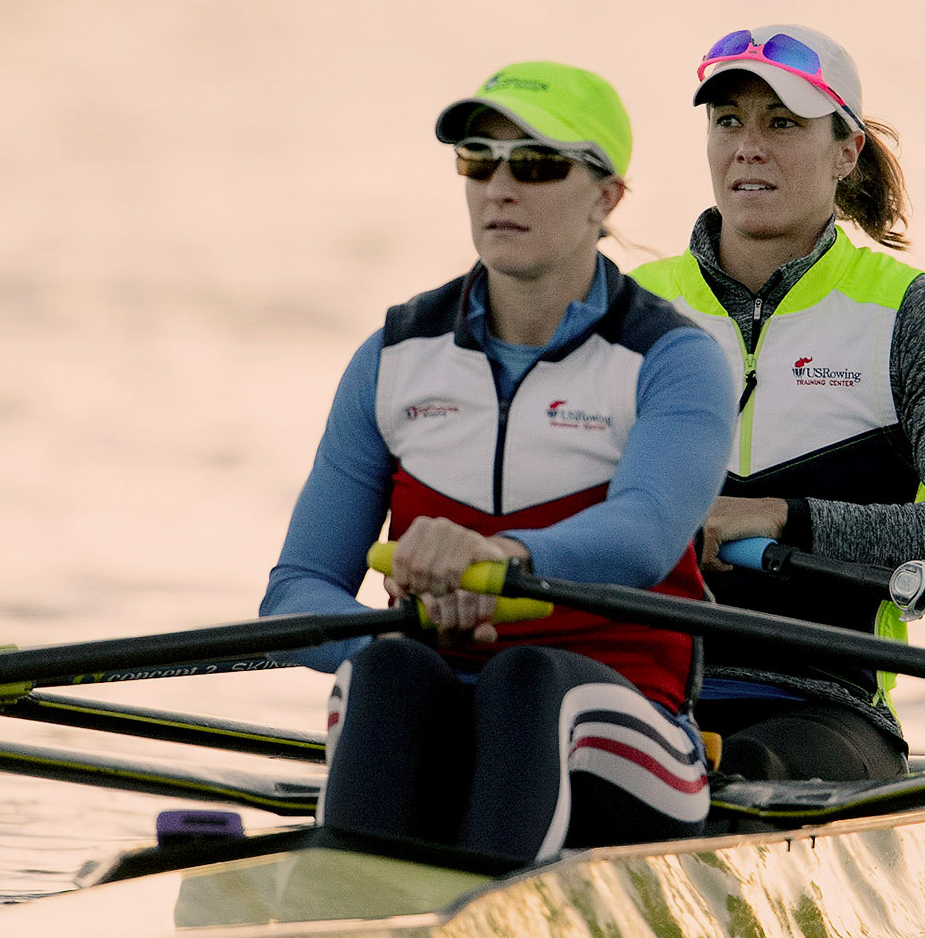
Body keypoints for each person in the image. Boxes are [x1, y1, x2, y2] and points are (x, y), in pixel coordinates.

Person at [259, 62, 735, 862]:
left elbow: (647, 534)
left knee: (526, 683)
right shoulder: (395, 357)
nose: (500, 187)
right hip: (434, 700)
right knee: (391, 676)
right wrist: (389, 634)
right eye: (478, 159)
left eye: (538, 163)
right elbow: (294, 596)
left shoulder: (673, 360)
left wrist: (497, 562)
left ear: (606, 197)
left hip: (625, 723)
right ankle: (356, 905)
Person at [631, 25, 925, 782]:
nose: (748, 146)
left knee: (736, 767)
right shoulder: (628, 311)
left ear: (846, 151)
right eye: (728, 122)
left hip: (822, 706)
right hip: (632, 685)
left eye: (781, 123)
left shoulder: (912, 317)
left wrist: (783, 517)